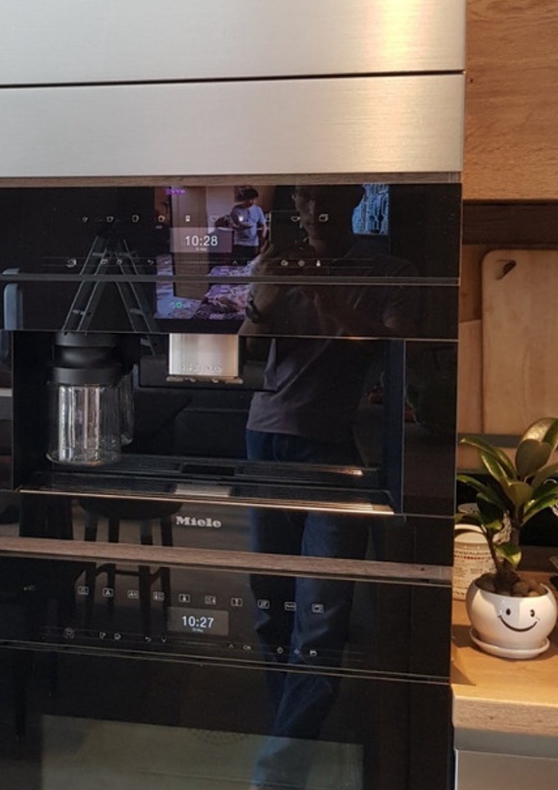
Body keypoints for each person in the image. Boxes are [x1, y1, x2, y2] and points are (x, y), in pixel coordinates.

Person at [238, 184, 416, 790]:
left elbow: (395, 347)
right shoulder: (277, 266)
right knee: (270, 607)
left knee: (321, 616)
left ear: (355, 200)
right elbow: (243, 354)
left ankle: (279, 770)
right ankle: (288, 738)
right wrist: (262, 300)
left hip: (339, 450)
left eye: (329, 200)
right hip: (264, 440)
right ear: (295, 206)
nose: (316, 212)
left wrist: (327, 296)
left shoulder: (391, 271)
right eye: (306, 200)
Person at [228, 186, 267, 263]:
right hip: (239, 242)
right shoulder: (236, 209)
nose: (252, 202)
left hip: (253, 243)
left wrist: (263, 238)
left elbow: (264, 225)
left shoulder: (258, 209)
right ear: (244, 199)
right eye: (250, 199)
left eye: (254, 199)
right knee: (240, 263)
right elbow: (231, 223)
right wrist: (238, 227)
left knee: (253, 263)